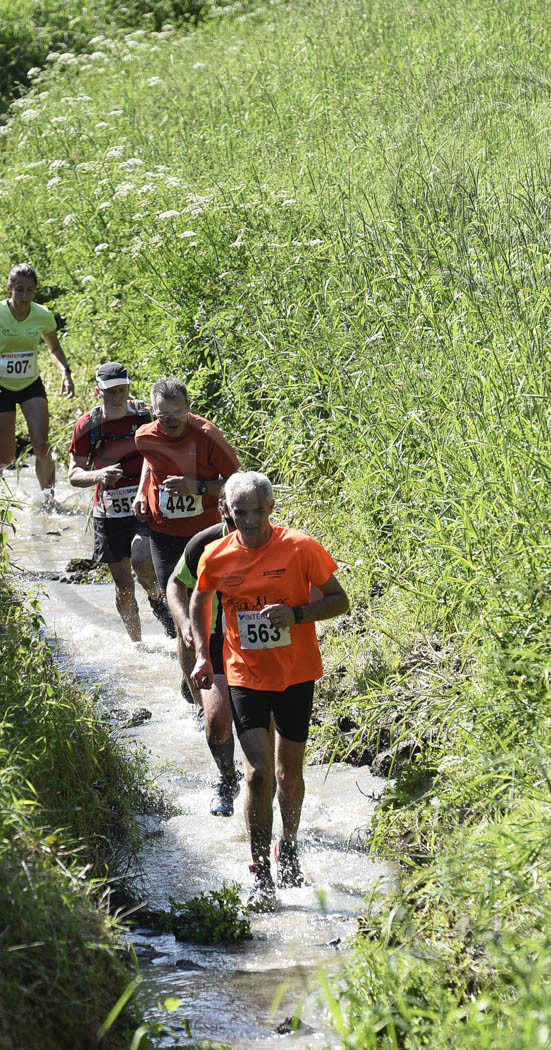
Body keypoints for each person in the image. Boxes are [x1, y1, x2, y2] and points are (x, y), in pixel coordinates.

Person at [190, 471, 350, 904]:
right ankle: (260, 869)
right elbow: (200, 599)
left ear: (271, 509)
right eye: (241, 513)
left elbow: (340, 600)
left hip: (296, 674)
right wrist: (203, 654)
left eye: (258, 512)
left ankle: (289, 847)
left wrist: (296, 614)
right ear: (229, 511)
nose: (250, 521)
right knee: (259, 774)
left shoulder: (300, 548)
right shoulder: (215, 555)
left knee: (288, 775)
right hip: (245, 674)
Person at [132, 377, 240, 704]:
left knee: (210, 610)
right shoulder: (144, 436)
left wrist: (199, 487)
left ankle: (220, 673)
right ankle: (197, 703)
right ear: (153, 413)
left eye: (176, 415)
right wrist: (142, 492)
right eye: (163, 416)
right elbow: (151, 461)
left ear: (188, 408)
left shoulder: (207, 435)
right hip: (164, 533)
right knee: (184, 618)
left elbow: (236, 483)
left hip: (206, 533)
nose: (170, 422)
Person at [68, 362, 170, 641]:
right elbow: (74, 474)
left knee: (143, 561)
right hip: (108, 511)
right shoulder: (88, 425)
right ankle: (137, 647)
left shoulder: (146, 415)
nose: (116, 397)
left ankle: (158, 601)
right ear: (98, 392)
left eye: (121, 390)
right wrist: (99, 475)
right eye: (110, 392)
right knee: (124, 588)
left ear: (128, 389)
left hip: (144, 504)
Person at [0, 263, 75, 490]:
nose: (24, 295)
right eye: (19, 289)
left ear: (35, 290)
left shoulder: (42, 315)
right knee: (6, 459)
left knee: (42, 446)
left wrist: (65, 372)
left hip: (30, 385)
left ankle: (49, 502)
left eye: (29, 290)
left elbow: (54, 348)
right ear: (10, 288)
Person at [169, 498, 240, 816]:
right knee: (217, 721)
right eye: (236, 518)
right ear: (224, 513)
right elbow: (175, 584)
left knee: (266, 735)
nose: (245, 527)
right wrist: (185, 621)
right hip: (215, 640)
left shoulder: (280, 544)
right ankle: (227, 778)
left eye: (254, 515)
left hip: (260, 646)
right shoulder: (204, 544)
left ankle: (266, 789)